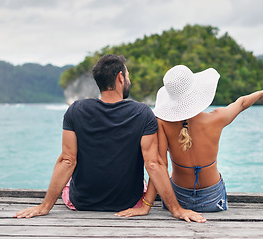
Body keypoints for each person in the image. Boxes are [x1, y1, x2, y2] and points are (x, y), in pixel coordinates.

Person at [14, 56, 205, 223]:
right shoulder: (143, 113)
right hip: (128, 203)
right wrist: (176, 209)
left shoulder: (75, 110)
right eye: (127, 76)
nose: (128, 80)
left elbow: (67, 160)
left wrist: (45, 206)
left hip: (81, 203)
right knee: (154, 180)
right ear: (120, 78)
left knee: (68, 181)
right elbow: (153, 164)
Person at [117, 65, 263, 217]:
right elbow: (241, 103)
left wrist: (146, 205)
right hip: (212, 198)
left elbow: (159, 165)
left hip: (178, 197)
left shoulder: (162, 123)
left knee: (171, 172)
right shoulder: (217, 118)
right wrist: (260, 93)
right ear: (197, 94)